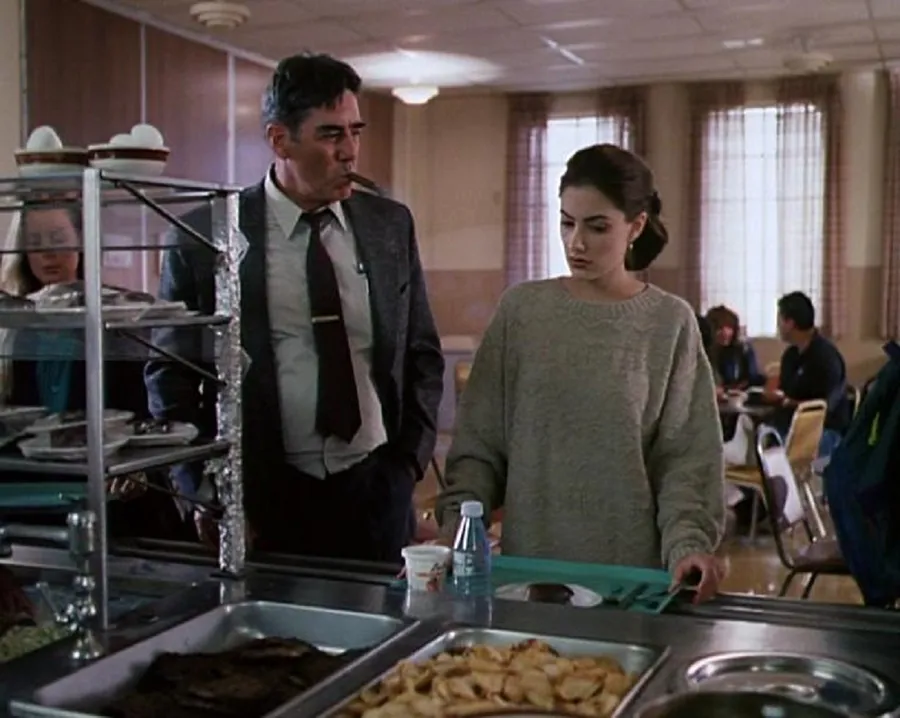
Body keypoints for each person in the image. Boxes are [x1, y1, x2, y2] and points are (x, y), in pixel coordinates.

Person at [145, 53, 444, 563]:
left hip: (375, 489)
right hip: (265, 498)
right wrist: (203, 490)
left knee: (384, 617)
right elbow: (170, 378)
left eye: (355, 132)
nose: (350, 151)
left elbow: (421, 354)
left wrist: (408, 465)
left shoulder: (389, 226)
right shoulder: (204, 237)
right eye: (331, 135)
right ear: (280, 140)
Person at [435, 144, 726, 602]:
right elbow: (479, 444)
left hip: (630, 582)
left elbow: (685, 462)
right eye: (567, 223)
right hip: (528, 579)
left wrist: (689, 545)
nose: (576, 243)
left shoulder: (669, 323)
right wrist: (456, 527)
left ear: (636, 226)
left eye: (597, 227)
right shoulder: (522, 311)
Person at [0, 207, 185, 539]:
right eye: (35, 243)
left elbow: (145, 416)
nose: (48, 254)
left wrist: (138, 469)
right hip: (34, 498)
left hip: (111, 495)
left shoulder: (118, 318)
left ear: (82, 242)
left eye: (58, 239)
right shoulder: (14, 325)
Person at [767, 291, 849, 457]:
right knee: (761, 433)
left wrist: (787, 402)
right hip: (792, 425)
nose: (778, 326)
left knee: (772, 450)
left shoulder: (825, 357)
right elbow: (785, 391)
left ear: (790, 323)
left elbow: (824, 406)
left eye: (779, 320)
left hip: (824, 430)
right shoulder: (791, 355)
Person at [705, 305, 765, 393]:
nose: (725, 333)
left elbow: (752, 378)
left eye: (729, 328)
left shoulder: (743, 349)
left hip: (739, 395)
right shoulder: (703, 352)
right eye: (719, 328)